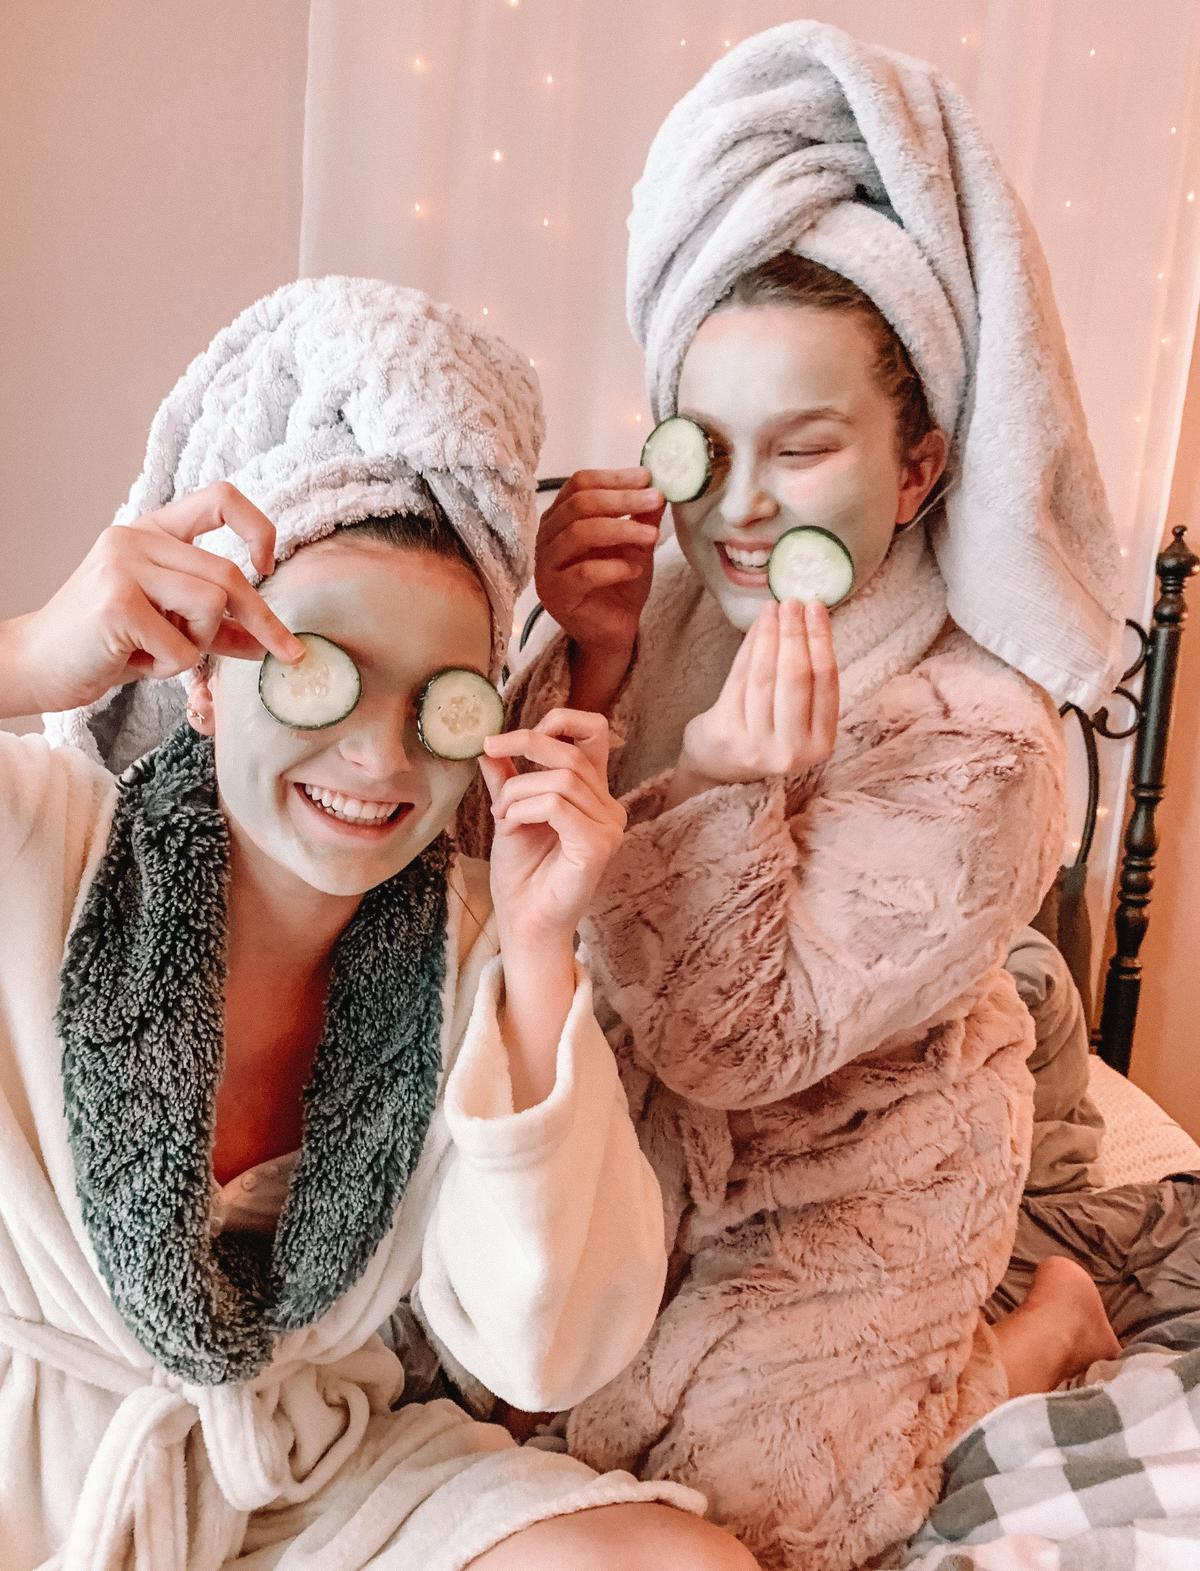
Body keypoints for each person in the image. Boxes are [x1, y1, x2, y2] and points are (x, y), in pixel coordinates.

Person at [485, 24, 1126, 1570]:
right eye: (705, 447)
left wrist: (721, 784)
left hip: (855, 1169)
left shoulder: (986, 736)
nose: (746, 506)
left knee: (758, 1522)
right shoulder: (658, 610)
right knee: (504, 1412)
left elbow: (737, 1045)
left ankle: (1033, 1333)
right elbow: (486, 874)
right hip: (631, 1129)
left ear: (917, 471)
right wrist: (590, 656)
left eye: (806, 448)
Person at [0, 277, 757, 1571]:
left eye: (441, 700)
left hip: (304, 1479)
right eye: (320, 671)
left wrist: (538, 952)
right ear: (205, 680)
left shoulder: (470, 947)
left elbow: (550, 1351)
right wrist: (22, 655)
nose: (380, 758)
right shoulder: (40, 836)